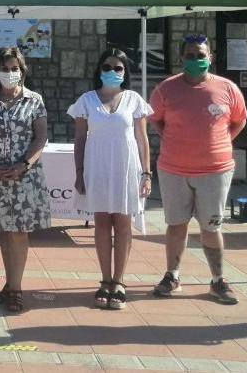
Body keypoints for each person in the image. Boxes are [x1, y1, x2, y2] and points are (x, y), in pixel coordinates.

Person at [149, 34, 247, 305]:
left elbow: (239, 121)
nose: (196, 60)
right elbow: (155, 120)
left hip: (215, 171)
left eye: (201, 55)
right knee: (175, 225)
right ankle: (172, 276)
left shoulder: (227, 88)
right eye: (190, 56)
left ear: (210, 57)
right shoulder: (165, 90)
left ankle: (218, 280)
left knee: (211, 227)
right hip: (173, 169)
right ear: (182, 58)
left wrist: (220, 143)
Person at [68, 48, 153, 310]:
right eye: (107, 67)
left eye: (118, 68)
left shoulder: (134, 100)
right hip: (98, 167)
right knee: (102, 223)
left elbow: (142, 138)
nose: (112, 72)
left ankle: (119, 282)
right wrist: (79, 172)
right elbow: (80, 139)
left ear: (125, 72)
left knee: (124, 223)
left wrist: (147, 173)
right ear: (99, 70)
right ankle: (105, 280)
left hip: (127, 168)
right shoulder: (86, 100)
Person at [0, 47, 50, 313]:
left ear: (22, 71)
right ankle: (9, 283)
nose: (9, 73)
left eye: (14, 68)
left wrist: (24, 164)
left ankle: (16, 290)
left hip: (24, 177)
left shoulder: (34, 101)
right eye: (5, 69)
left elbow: (40, 138)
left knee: (18, 232)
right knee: (5, 232)